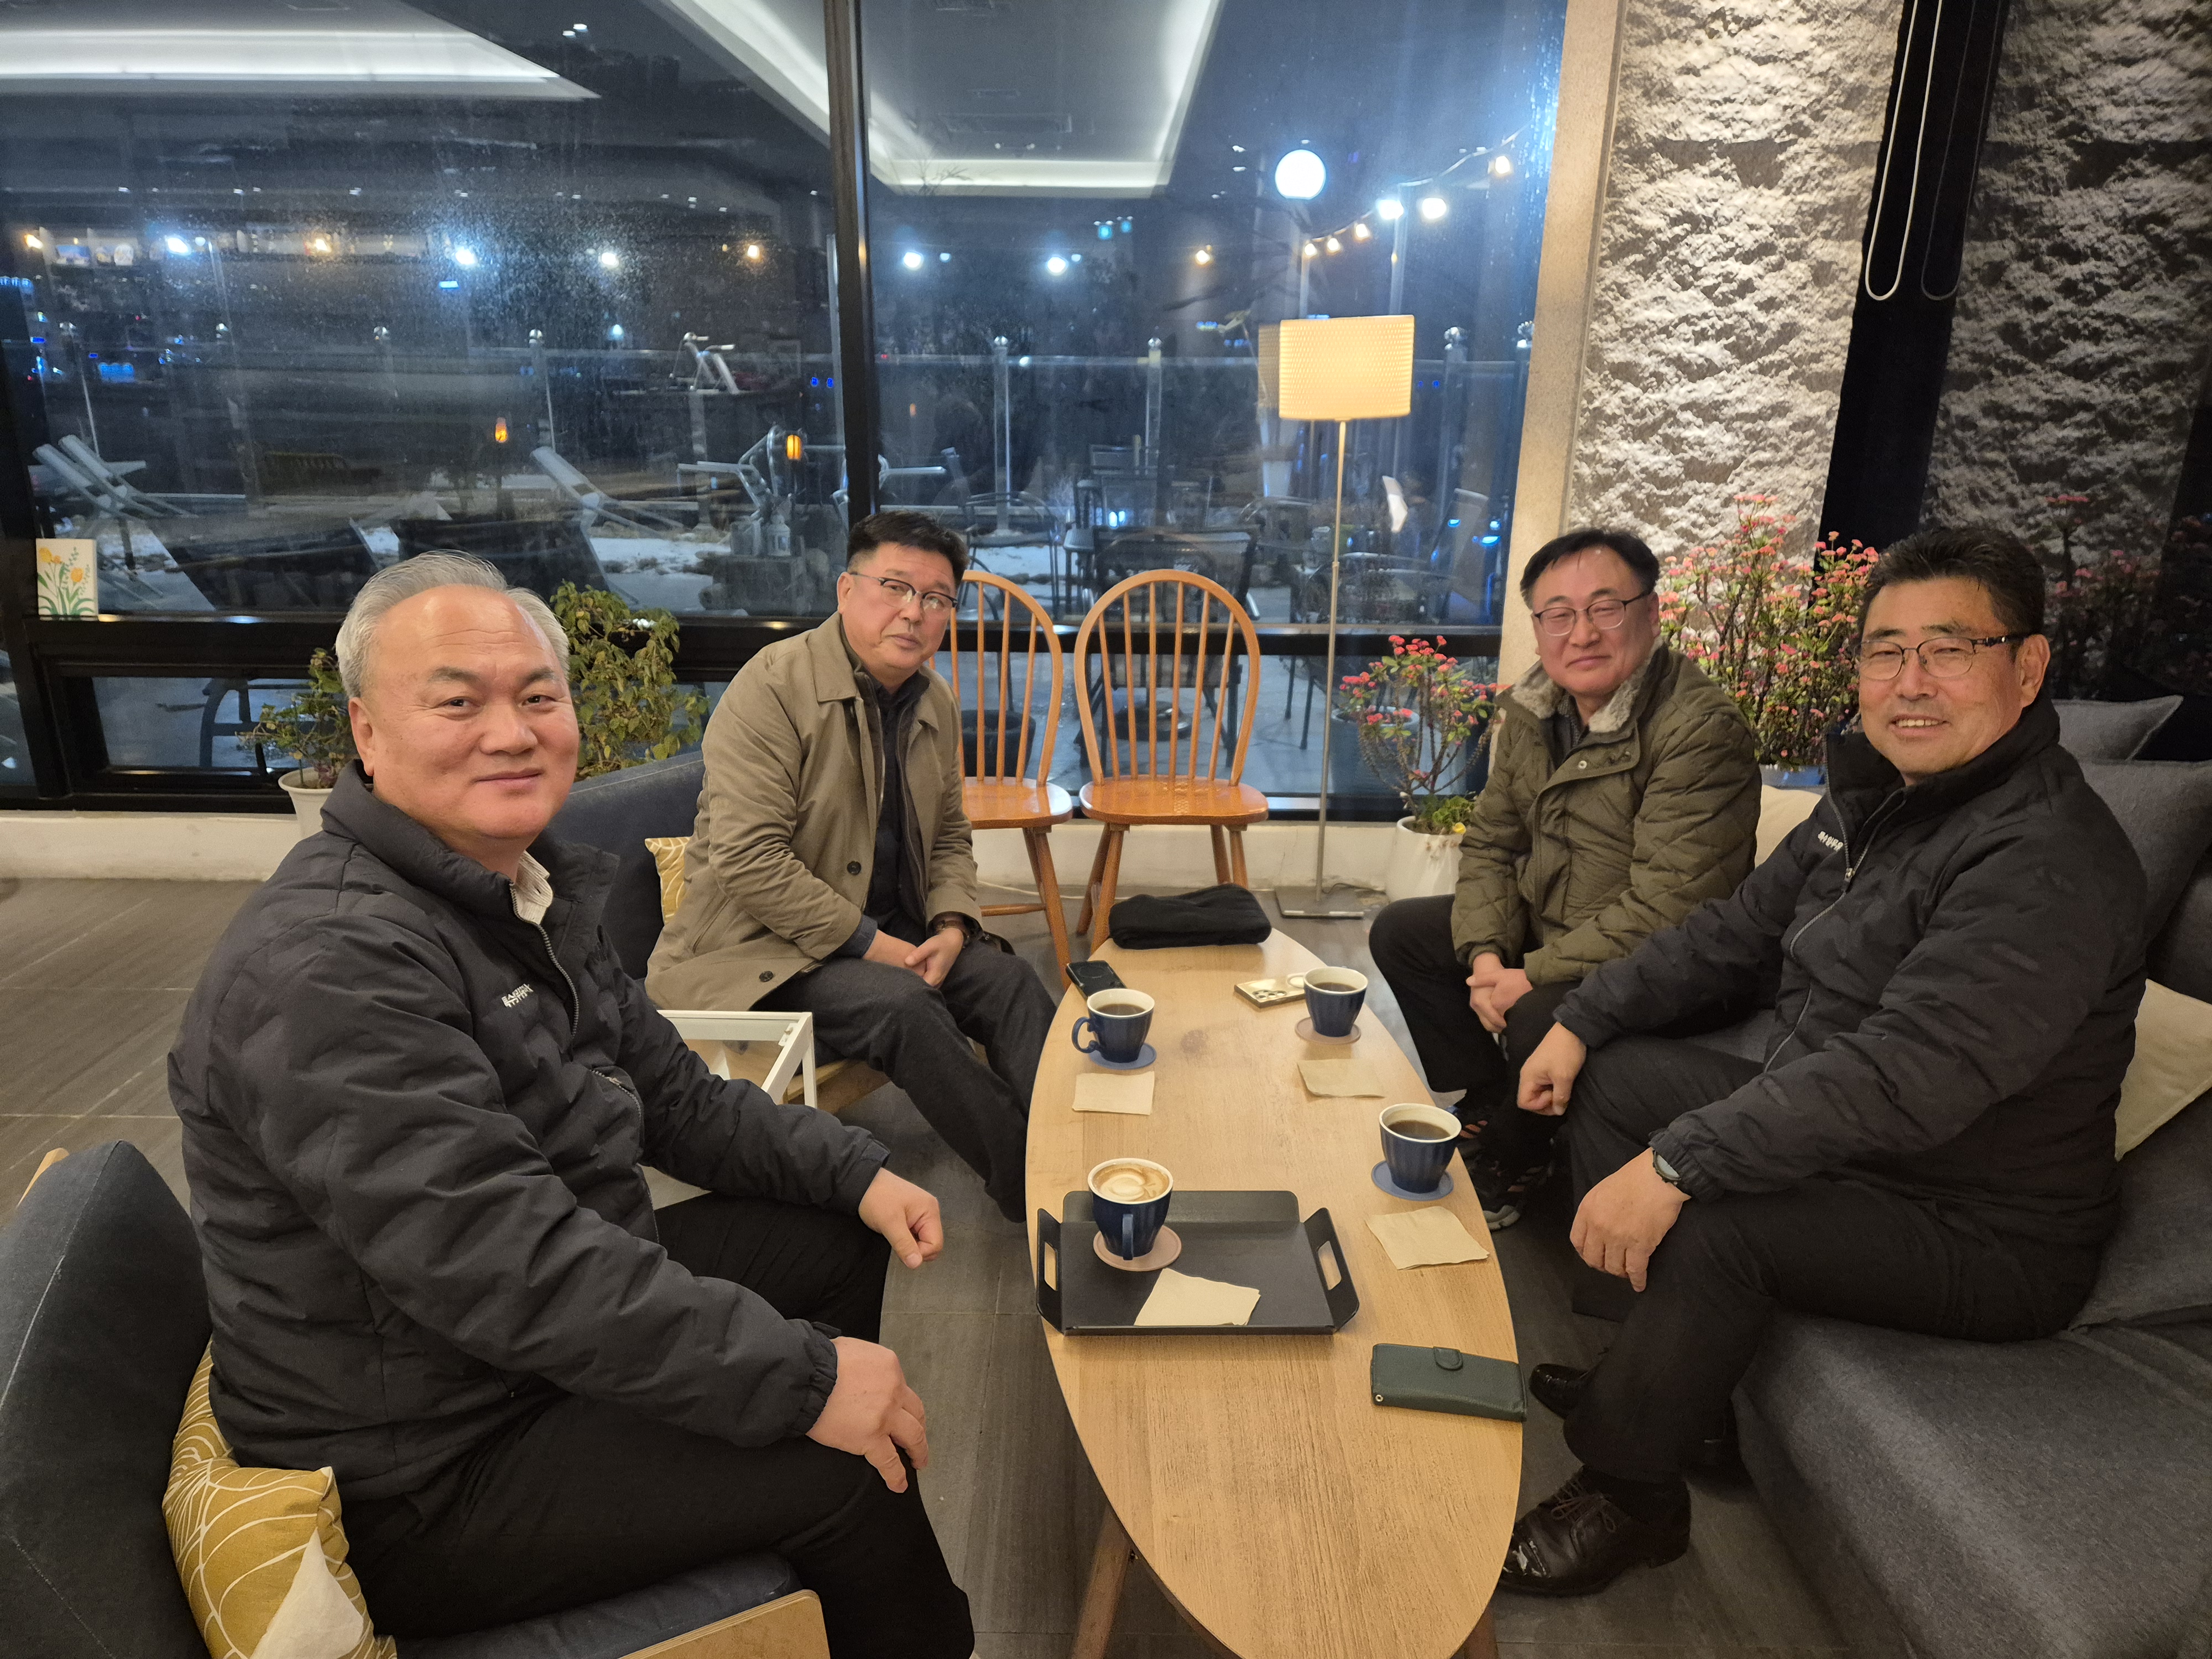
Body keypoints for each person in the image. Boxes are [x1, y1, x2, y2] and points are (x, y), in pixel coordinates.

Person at [170, 554, 973, 1657]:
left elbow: (675, 1095)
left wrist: (856, 1173)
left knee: (833, 1235)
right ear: (366, 732)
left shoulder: (518, 888)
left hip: (504, 1351)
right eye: (458, 703)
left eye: (536, 697)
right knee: (839, 1471)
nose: (510, 732)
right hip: (421, 1468)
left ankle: (805, 1574)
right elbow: (513, 1266)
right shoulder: (330, 965)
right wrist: (802, 1384)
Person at [1499, 526, 2146, 1598]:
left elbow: (1910, 1070)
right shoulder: (1872, 801)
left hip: (1978, 1219)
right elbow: (1731, 935)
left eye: (1949, 649)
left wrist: (1678, 1165)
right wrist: (1579, 1020)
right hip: (1859, 1147)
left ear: (2026, 668)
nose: (1910, 682)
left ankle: (1631, 1495)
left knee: (1717, 1219)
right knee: (1616, 1074)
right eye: (1885, 651)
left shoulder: (2045, 859)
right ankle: (1667, 1386)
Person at [649, 511, 1055, 1225]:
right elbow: (750, 860)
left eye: (936, 598)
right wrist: (877, 946)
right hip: (764, 953)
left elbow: (950, 836)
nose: (914, 612)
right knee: (905, 1009)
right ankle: (1042, 1188)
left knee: (1011, 982)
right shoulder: (771, 688)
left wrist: (952, 924)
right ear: (845, 589)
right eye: (895, 587)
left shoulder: (933, 702)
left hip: (893, 934)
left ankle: (1078, 1150)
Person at [1368, 528, 1759, 1226]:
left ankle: (1519, 1154)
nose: (1581, 634)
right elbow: (1492, 842)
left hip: (1672, 967)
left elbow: (1671, 909)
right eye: (1558, 614)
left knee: (1538, 1008)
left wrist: (1529, 973)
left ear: (1651, 613)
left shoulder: (1699, 729)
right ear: (1538, 627)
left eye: (1605, 608)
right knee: (1406, 933)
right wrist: (1487, 957)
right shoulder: (1534, 710)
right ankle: (1493, 1098)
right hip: (1558, 929)